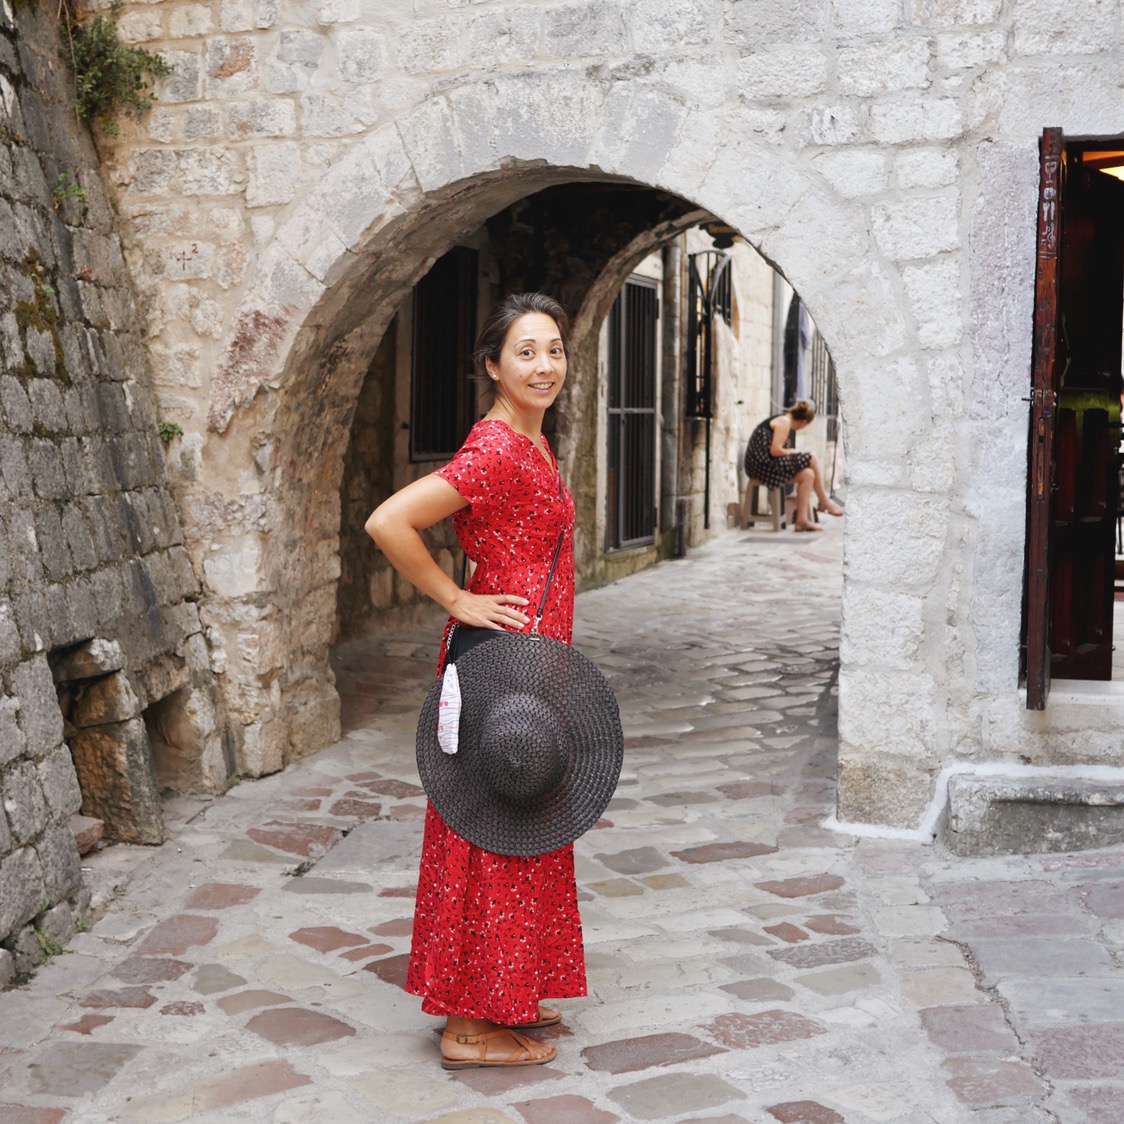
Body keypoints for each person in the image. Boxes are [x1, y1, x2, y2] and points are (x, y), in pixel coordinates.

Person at [365, 292, 581, 1070]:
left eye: (553, 349)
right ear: (492, 366)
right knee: (491, 824)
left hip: (531, 659)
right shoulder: (495, 449)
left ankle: (508, 986)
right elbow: (390, 521)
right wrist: (457, 598)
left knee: (522, 816)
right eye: (525, 352)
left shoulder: (532, 441)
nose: (544, 365)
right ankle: (468, 1024)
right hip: (500, 661)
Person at [743, 399, 843, 532]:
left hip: (765, 464)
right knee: (812, 458)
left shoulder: (783, 420)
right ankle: (824, 501)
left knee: (808, 474)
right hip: (761, 465)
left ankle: (801, 521)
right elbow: (776, 450)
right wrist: (794, 451)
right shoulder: (784, 422)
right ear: (803, 422)